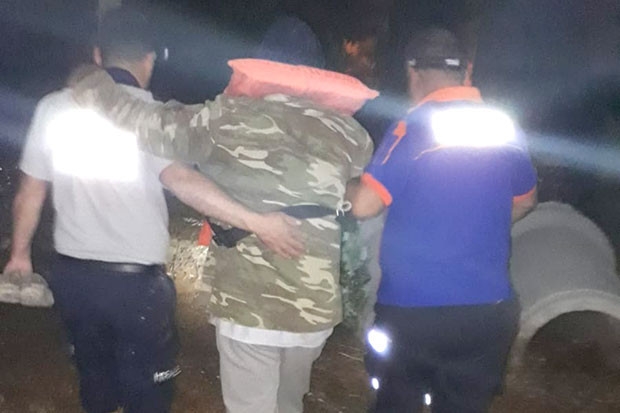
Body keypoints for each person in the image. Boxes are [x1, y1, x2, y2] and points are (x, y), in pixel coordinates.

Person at [2, 7, 302, 413]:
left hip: (74, 280)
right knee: (149, 396)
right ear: (150, 59)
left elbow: (30, 191)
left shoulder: (52, 109)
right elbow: (183, 181)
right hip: (135, 289)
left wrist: (19, 255)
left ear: (97, 55)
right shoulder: (152, 118)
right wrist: (258, 222)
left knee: (94, 382)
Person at [70, 15, 376, 413]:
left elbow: (139, 120)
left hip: (247, 304)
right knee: (289, 403)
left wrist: (88, 80)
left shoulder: (224, 118)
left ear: (261, 65)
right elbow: (353, 187)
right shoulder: (352, 135)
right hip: (314, 308)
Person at [346, 28, 538, 413]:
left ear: (412, 72)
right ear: (467, 71)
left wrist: (347, 182)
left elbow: (365, 205)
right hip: (488, 312)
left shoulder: (413, 126)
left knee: (396, 405)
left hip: (412, 313)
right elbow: (525, 201)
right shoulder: (503, 126)